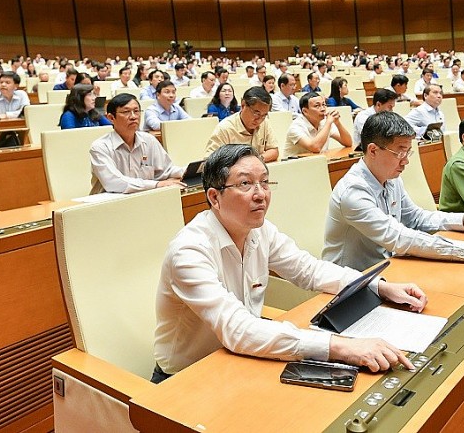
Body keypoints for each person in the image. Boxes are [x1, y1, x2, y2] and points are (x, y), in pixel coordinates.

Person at [153, 144, 428, 380]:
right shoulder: (189, 251)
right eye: (245, 184)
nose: (260, 194)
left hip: (242, 357)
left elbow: (309, 270)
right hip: (187, 377)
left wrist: (378, 286)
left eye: (264, 182)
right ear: (214, 197)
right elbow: (237, 329)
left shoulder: (260, 230)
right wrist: (344, 347)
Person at [323, 111, 464, 271]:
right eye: (400, 152)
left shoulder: (391, 178)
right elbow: (399, 237)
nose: (406, 160)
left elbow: (416, 218)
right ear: (373, 150)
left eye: (407, 151)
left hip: (389, 269)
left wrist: (463, 221)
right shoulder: (354, 191)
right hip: (351, 283)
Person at [89, 93, 185, 194]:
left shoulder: (149, 140)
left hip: (144, 198)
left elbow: (166, 170)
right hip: (109, 204)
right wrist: (157, 184)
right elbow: (114, 183)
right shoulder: (100, 147)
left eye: (136, 111)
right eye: (126, 112)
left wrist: (190, 171)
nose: (133, 116)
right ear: (111, 118)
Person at [204, 86, 279, 162]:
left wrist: (256, 160)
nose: (259, 120)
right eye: (256, 114)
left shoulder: (265, 122)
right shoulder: (224, 129)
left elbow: (274, 151)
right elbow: (210, 162)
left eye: (264, 115)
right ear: (243, 105)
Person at [284, 92, 352, 157]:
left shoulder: (325, 121)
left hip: (318, 163)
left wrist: (337, 123)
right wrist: (328, 123)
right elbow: (315, 147)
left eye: (324, 105)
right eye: (317, 106)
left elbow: (348, 143)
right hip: (296, 166)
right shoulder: (296, 127)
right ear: (305, 111)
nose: (323, 109)